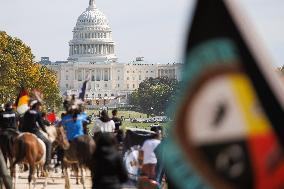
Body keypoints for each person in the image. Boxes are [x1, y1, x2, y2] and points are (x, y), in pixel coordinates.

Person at [22, 100, 52, 170]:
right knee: (48, 143)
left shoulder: (26, 112)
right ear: (37, 105)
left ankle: (24, 163)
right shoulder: (38, 112)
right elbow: (41, 124)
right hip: (34, 131)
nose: (40, 107)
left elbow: (23, 123)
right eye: (39, 105)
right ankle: (47, 163)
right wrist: (46, 131)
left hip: (24, 131)